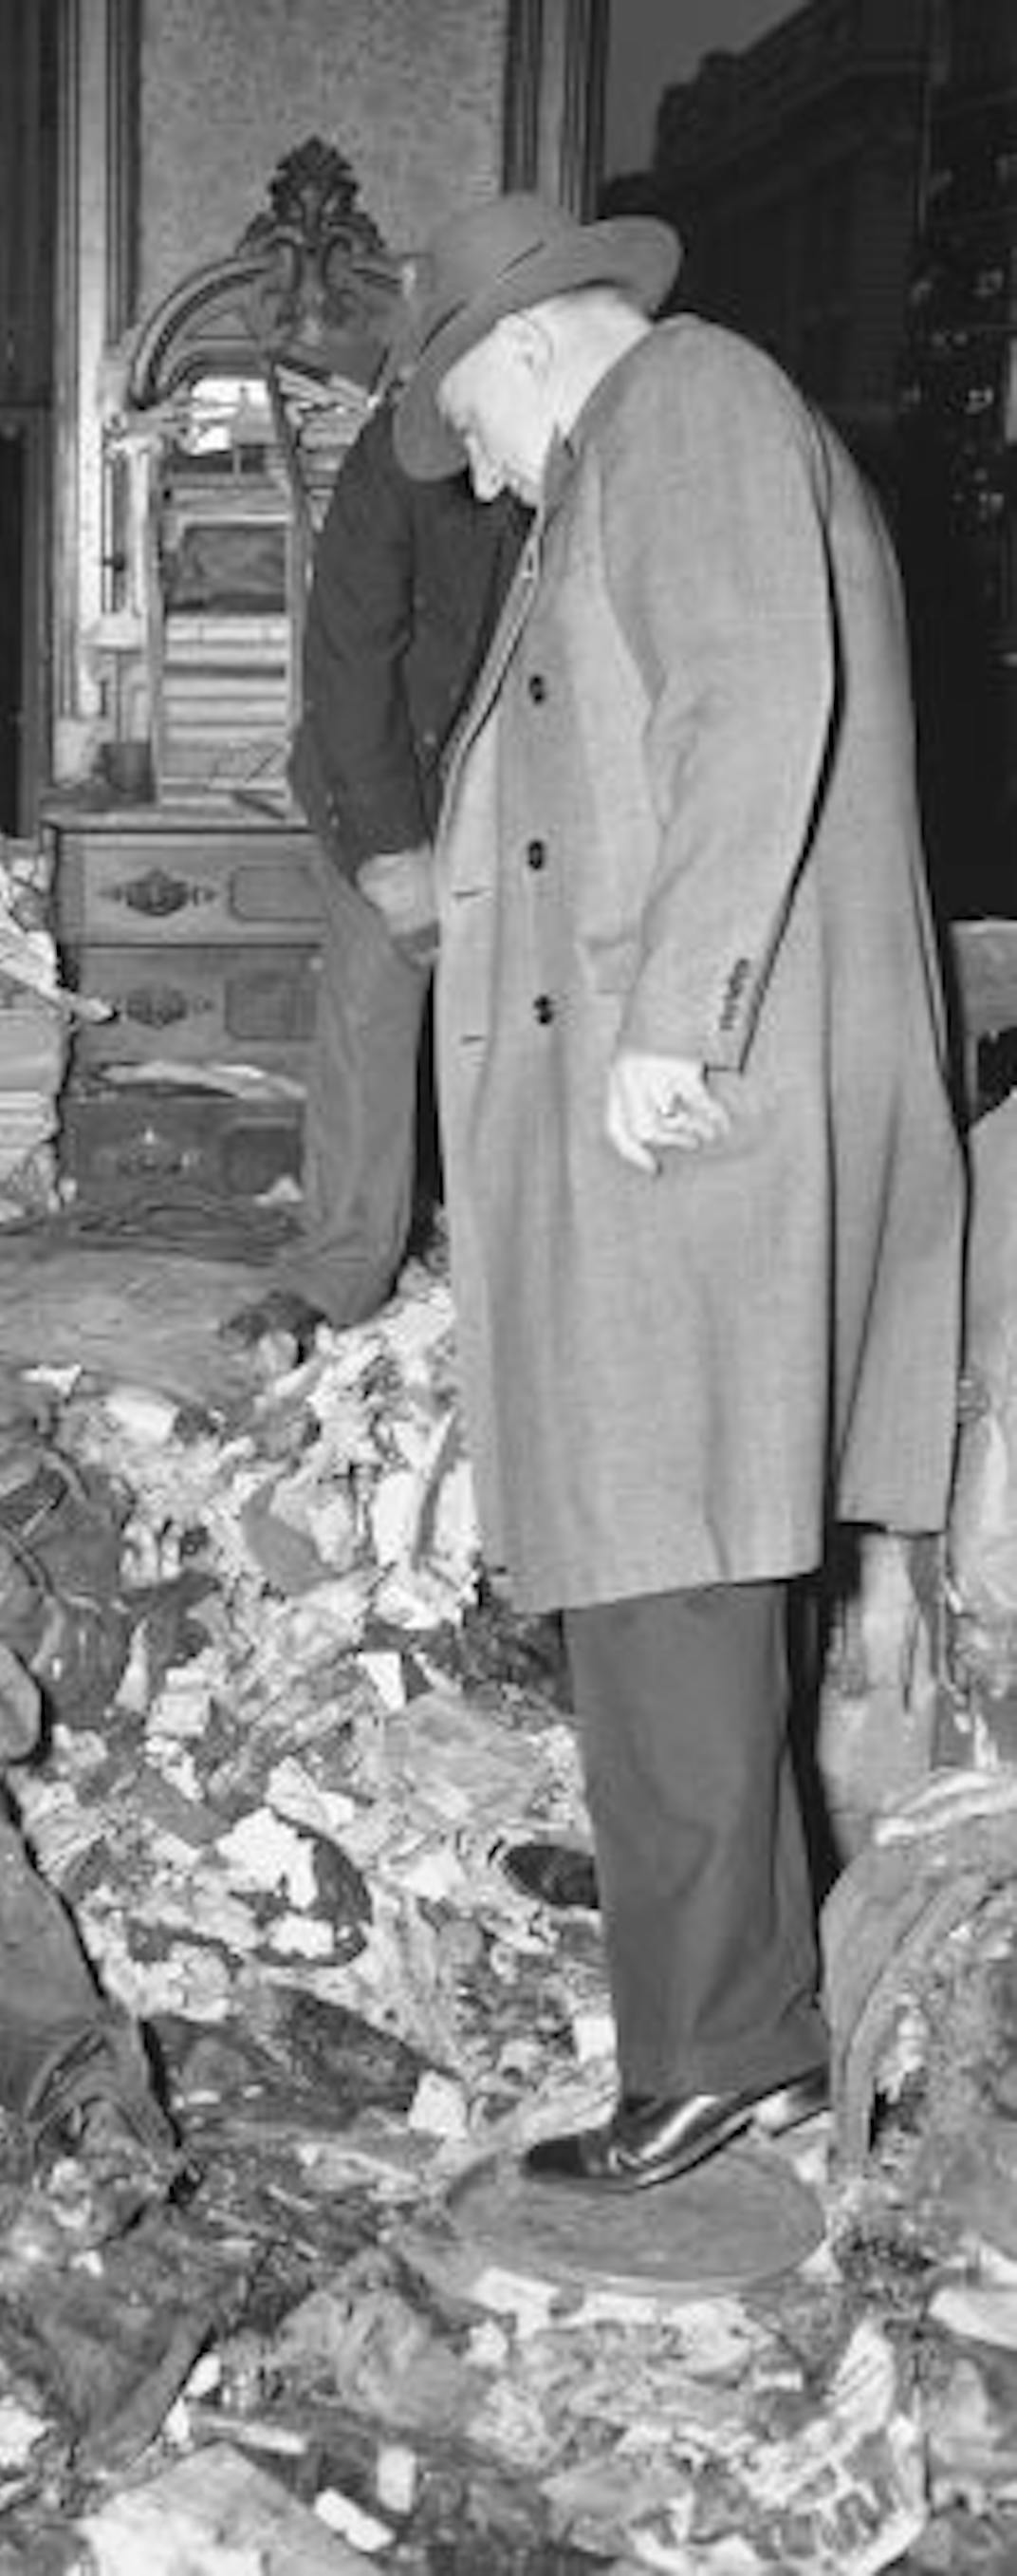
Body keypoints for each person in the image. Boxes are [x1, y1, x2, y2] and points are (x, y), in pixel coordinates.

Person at [390, 192, 965, 2192]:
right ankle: (731, 1965)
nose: (475, 468)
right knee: (689, 1548)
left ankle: (719, 2045)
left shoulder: (689, 401)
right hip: (691, 1085)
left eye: (465, 416)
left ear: (531, 338)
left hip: (694, 1089)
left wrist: (676, 1018)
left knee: (662, 1558)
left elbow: (748, 698)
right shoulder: (653, 434)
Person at [226, 395, 527, 1354]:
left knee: (533, 1029)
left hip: (525, 780)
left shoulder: (596, 445)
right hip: (383, 771)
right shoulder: (392, 457)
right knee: (370, 1020)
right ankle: (339, 1270)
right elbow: (349, 668)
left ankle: (529, 1268)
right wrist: (396, 855)